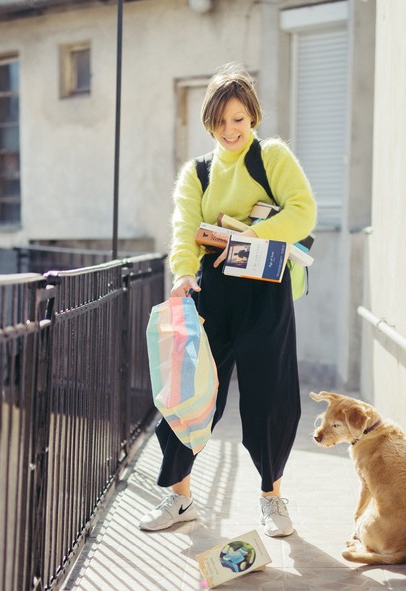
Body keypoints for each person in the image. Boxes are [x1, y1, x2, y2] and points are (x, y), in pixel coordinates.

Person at [138, 63, 316, 538]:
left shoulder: (272, 157)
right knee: (190, 394)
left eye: (238, 118)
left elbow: (303, 211)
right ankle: (180, 498)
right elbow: (183, 229)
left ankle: (272, 500)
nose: (230, 129)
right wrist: (181, 273)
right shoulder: (196, 172)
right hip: (212, 292)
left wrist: (252, 236)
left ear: (252, 117)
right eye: (220, 121)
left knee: (269, 395)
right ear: (209, 123)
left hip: (266, 289)